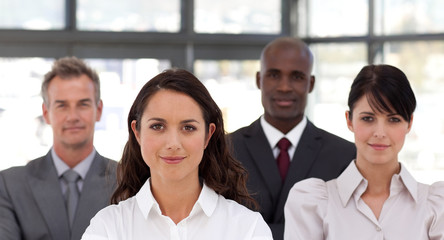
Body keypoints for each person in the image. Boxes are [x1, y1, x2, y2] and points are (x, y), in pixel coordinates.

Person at [81, 69, 273, 240]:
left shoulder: (247, 229)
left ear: (208, 135)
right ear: (137, 133)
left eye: (188, 128)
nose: (173, 143)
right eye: (158, 126)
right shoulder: (107, 228)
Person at [284, 64, 444, 239]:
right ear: (349, 120)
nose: (380, 133)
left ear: (409, 123)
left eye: (393, 119)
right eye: (368, 118)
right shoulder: (313, 203)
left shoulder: (436, 206)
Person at [229, 36, 356, 239]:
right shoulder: (226, 150)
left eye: (296, 77)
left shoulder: (345, 156)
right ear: (258, 79)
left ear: (311, 83)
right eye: (274, 75)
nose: (285, 87)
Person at [0, 56, 117, 240]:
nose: (72, 116)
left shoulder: (128, 181)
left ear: (99, 110)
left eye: (83, 104)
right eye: (62, 105)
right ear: (46, 113)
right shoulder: (9, 185)